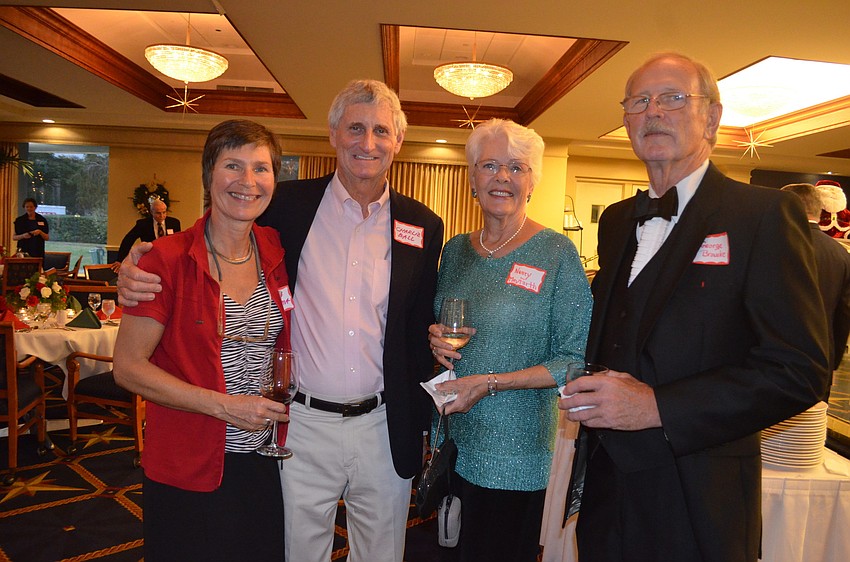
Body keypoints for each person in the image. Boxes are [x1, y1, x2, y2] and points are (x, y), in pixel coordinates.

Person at [117, 80, 444, 562]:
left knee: (381, 554)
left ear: (398, 141)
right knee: (294, 551)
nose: (367, 142)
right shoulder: (285, 207)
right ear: (333, 134)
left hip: (382, 422)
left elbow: (418, 324)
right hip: (300, 423)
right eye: (355, 127)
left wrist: (422, 414)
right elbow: (213, 236)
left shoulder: (422, 224)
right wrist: (134, 266)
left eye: (381, 131)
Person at [559, 52, 830, 562]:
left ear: (712, 117)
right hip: (606, 489)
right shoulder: (618, 221)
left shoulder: (763, 215)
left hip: (699, 494)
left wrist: (657, 407)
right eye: (638, 102)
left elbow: (799, 370)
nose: (653, 111)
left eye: (673, 98)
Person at [112, 120, 290, 560]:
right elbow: (128, 367)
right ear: (209, 175)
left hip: (263, 458)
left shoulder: (277, 247)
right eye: (233, 165)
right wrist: (225, 406)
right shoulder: (167, 259)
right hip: (188, 461)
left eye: (261, 169)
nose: (247, 181)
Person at [428, 118, 592, 562]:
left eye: (517, 168)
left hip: (515, 452)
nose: (503, 177)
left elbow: (574, 360)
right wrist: (436, 341)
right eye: (490, 165)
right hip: (452, 439)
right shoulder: (455, 250)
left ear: (532, 182)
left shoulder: (557, 254)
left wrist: (490, 383)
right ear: (472, 180)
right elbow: (443, 324)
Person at [781, 182, 850, 396]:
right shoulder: (840, 254)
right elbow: (844, 313)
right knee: (815, 424)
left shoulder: (775, 245)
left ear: (786, 206)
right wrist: (833, 359)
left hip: (776, 360)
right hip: (822, 358)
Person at [114, 197, 181, 266]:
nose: (162, 216)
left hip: (169, 259)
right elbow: (128, 240)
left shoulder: (174, 223)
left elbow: (178, 242)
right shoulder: (143, 224)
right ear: (152, 212)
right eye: (158, 213)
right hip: (149, 259)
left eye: (164, 212)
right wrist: (120, 260)